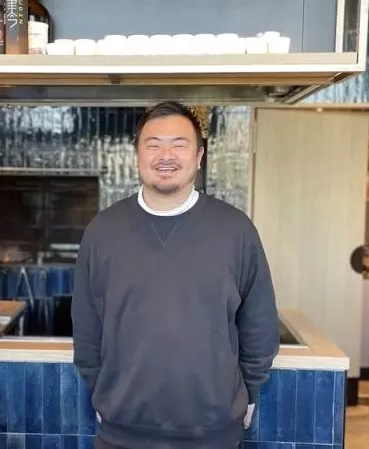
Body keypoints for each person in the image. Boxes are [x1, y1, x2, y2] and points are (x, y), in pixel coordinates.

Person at [71, 101, 279, 449]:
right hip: (121, 435)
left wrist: (247, 393)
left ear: (198, 156)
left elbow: (259, 326)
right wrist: (106, 396)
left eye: (179, 145)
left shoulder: (235, 230)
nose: (165, 155)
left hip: (214, 435)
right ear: (137, 155)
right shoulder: (102, 231)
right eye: (153, 144)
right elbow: (87, 328)